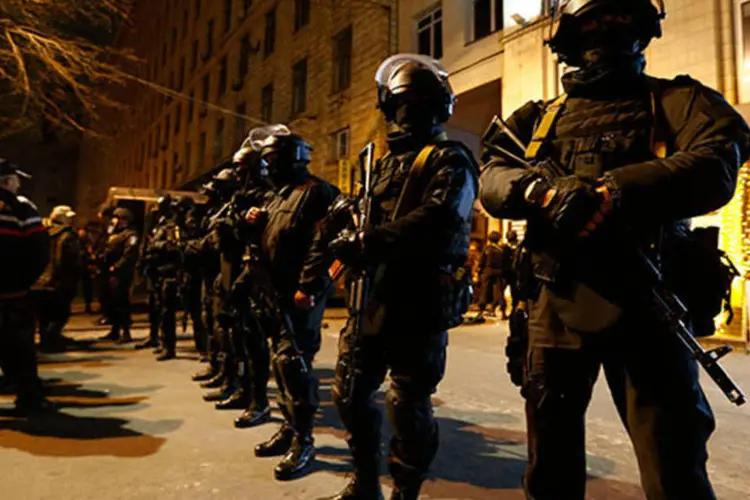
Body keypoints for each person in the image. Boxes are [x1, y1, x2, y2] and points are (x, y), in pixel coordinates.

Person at [479, 1, 750, 498]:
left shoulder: (677, 101)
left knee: (674, 465)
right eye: (594, 23)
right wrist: (544, 192)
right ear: (569, 36)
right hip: (554, 303)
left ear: (643, 30)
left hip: (648, 303)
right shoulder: (539, 118)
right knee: (551, 466)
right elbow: (492, 177)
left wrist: (615, 191)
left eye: (621, 20)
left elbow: (717, 163)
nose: (608, 34)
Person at [325, 54, 478, 500]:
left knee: (407, 402)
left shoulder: (451, 159)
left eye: (421, 104)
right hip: (369, 297)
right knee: (350, 392)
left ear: (440, 108)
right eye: (402, 104)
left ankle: (405, 492)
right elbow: (365, 220)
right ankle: (366, 482)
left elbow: (440, 217)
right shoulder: (380, 165)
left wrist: (370, 241)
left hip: (420, 299)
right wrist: (346, 218)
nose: (410, 114)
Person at [244, 124, 339, 480]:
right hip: (274, 290)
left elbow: (325, 242)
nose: (268, 167)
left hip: (301, 294)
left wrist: (309, 285)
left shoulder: (317, 192)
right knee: (279, 361)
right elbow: (263, 239)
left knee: (294, 364)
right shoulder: (276, 196)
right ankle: (289, 425)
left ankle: (304, 439)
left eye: (272, 159)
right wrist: (250, 220)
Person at [0, 158, 56, 413]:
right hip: (13, 293)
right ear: (8, 181)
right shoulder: (20, 208)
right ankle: (29, 399)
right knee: (20, 347)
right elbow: (39, 250)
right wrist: (24, 282)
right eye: (16, 180)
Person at [33, 205, 82, 352]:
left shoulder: (42, 232)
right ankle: (51, 341)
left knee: (45, 313)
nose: (71, 220)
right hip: (61, 280)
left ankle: (45, 339)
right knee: (60, 313)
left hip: (41, 280)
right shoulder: (68, 236)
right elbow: (68, 260)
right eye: (68, 217)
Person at [136, 195, 174, 351]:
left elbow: (171, 246)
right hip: (153, 271)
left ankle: (167, 344)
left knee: (165, 309)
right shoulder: (155, 226)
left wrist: (156, 246)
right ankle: (154, 337)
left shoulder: (170, 225)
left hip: (164, 271)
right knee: (153, 306)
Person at [100, 207, 139, 344]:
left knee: (121, 302)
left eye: (116, 218)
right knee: (111, 302)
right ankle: (114, 330)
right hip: (109, 273)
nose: (113, 221)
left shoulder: (130, 235)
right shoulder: (113, 234)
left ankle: (126, 332)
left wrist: (116, 267)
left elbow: (129, 255)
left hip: (121, 274)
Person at [476, 230, 508, 319]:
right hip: (499, 272)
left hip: (487, 271)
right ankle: (502, 311)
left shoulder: (487, 249)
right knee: (499, 293)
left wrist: (479, 271)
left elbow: (482, 262)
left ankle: (481, 311)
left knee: (484, 291)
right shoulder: (501, 249)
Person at [77, 227, 96, 314]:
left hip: (85, 267)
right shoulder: (77, 242)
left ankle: (88, 305)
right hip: (79, 266)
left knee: (87, 287)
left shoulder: (87, 242)